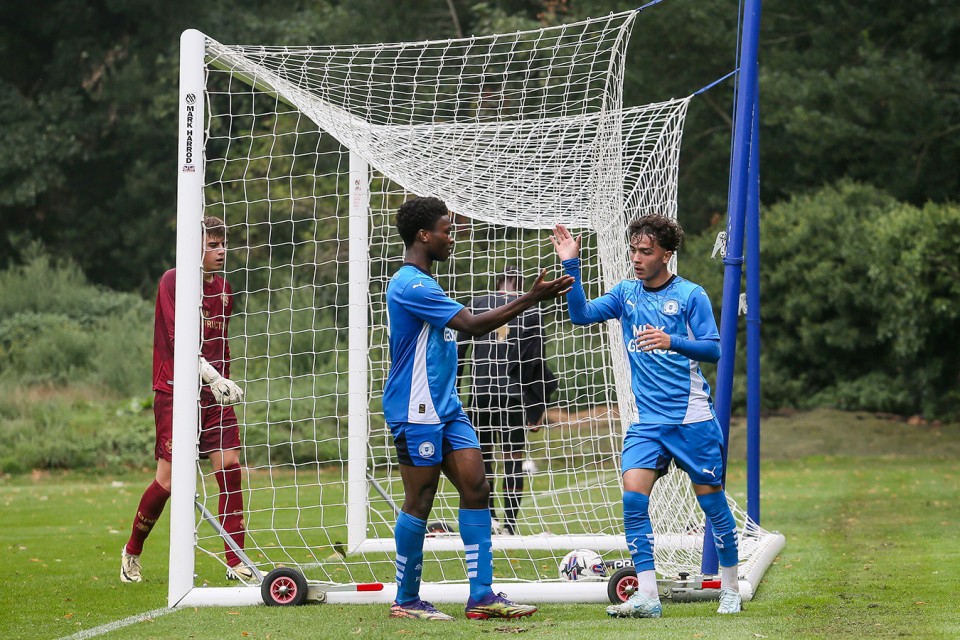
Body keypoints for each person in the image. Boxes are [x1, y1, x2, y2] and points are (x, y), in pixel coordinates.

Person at [382, 196, 573, 621]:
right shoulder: (409, 284)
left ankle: (482, 597)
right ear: (423, 235)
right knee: (420, 500)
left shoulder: (429, 283)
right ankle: (406, 600)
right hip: (416, 411)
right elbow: (471, 325)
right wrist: (529, 299)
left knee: (477, 488)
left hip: (447, 409)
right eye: (446, 230)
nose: (452, 238)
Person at [550, 215, 742, 618]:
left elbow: (714, 349)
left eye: (646, 251)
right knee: (633, 501)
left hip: (692, 421)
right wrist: (571, 264)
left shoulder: (691, 295)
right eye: (634, 250)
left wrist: (671, 340)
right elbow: (581, 314)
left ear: (667, 255)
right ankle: (648, 596)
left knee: (713, 507)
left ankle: (729, 587)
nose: (636, 258)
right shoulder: (625, 294)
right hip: (648, 424)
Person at [121, 216, 254, 584]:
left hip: (214, 396)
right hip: (176, 391)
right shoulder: (172, 281)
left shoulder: (225, 288)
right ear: (192, 246)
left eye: (222, 244)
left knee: (229, 467)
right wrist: (213, 377)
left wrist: (223, 382)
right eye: (213, 244)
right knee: (168, 480)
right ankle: (132, 549)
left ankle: (236, 561)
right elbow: (180, 341)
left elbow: (220, 344)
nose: (221, 250)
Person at [457, 266, 557, 536]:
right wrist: (537, 408)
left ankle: (489, 521)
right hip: (513, 395)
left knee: (483, 458)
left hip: (481, 392)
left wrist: (452, 390)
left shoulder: (477, 303)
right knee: (513, 459)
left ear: (497, 282)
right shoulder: (531, 309)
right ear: (522, 284)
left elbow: (459, 350)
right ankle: (510, 526)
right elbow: (537, 361)